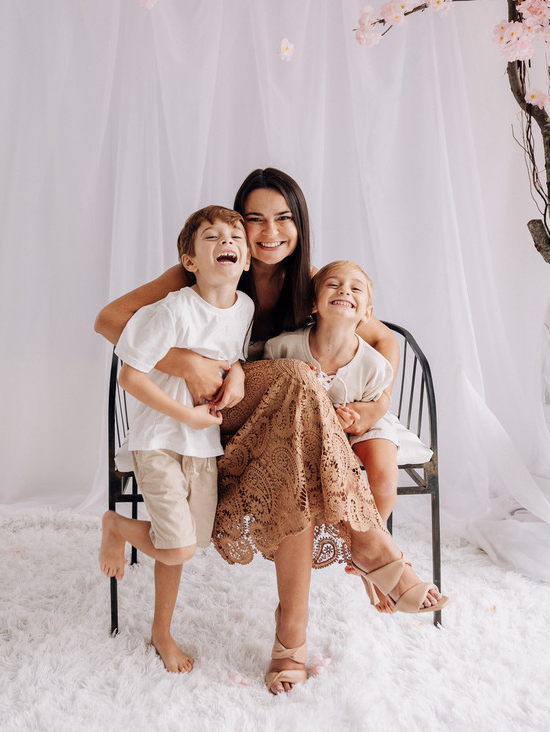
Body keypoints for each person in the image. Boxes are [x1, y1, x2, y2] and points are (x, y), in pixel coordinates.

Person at [95, 168, 449, 695]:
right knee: (296, 378)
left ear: (300, 225)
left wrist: (375, 406)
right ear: (237, 225)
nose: (269, 232)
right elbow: (109, 320)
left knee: (295, 448)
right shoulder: (207, 266)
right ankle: (372, 547)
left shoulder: (309, 285)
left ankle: (292, 636)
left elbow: (384, 338)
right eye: (254, 219)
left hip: (286, 424)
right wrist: (188, 362)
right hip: (218, 415)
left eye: (284, 218)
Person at [99, 205, 254, 674]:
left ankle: (159, 631)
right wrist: (187, 415)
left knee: (190, 542)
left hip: (203, 445)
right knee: (178, 547)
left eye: (235, 237)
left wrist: (237, 373)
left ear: (247, 259)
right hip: (160, 439)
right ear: (190, 261)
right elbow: (131, 376)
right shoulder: (173, 308)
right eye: (212, 236)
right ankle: (116, 526)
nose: (226, 242)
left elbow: (231, 356)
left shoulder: (245, 308)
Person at [263, 259, 433, 613]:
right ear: (313, 305)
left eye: (355, 289)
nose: (344, 291)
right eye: (334, 285)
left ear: (367, 313)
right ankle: (374, 560)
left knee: (384, 474)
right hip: (314, 427)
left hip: (366, 418)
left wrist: (359, 417)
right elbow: (268, 383)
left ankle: (374, 545)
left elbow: (376, 406)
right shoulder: (285, 348)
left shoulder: (374, 364)